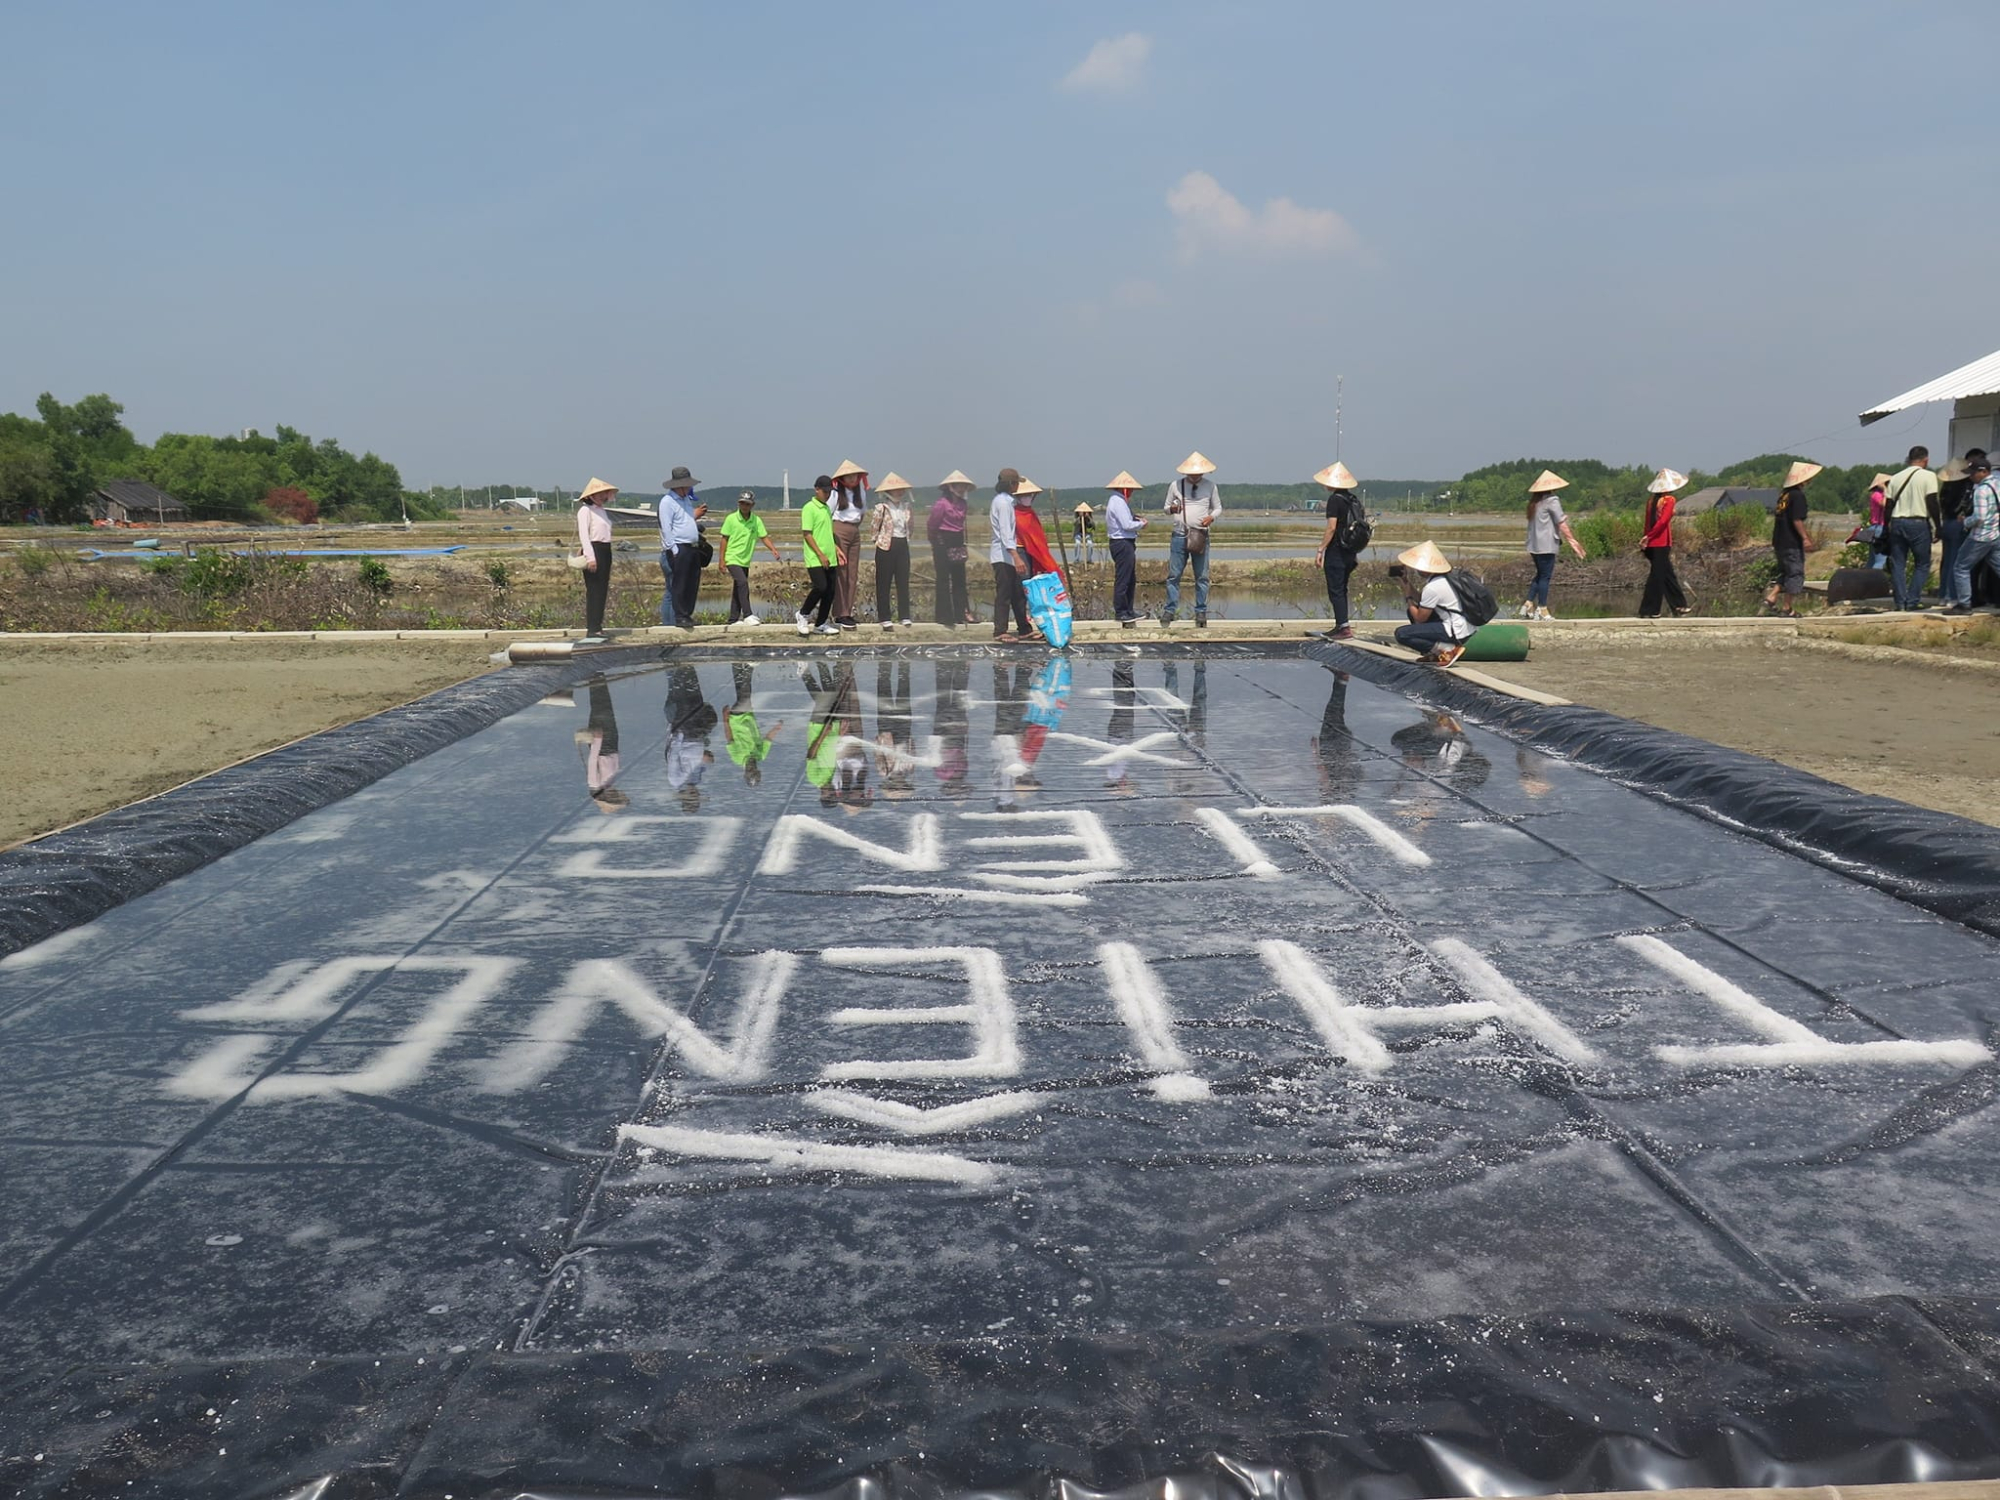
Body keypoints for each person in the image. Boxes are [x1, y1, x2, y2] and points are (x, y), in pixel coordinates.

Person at [1162, 451, 1221, 627]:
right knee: (1174, 575)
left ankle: (1201, 612)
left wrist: (1211, 517)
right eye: (1192, 474)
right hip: (1179, 534)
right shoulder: (1175, 485)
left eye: (1198, 474)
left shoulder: (1210, 486)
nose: (1195, 476)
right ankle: (1170, 610)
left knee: (1202, 576)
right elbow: (1165, 508)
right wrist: (1172, 509)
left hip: (1200, 535)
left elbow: (1218, 508)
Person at [1392, 540, 1474, 666]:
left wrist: (1408, 597)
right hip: (1463, 626)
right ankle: (1435, 653)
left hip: (1454, 630)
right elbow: (1423, 601)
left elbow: (1420, 618)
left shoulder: (1433, 587)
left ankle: (1446, 650)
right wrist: (1406, 582)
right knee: (1411, 611)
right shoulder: (1444, 579)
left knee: (1402, 634)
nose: (1416, 570)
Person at [1520, 469, 1585, 620]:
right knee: (1545, 577)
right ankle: (1542, 608)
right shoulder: (1552, 500)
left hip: (1534, 545)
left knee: (1540, 574)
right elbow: (1560, 522)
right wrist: (1572, 541)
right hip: (1546, 545)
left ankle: (1528, 603)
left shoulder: (1534, 503)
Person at [1883, 445, 1940, 611]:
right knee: (1922, 564)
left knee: (1898, 564)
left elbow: (1888, 505)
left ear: (1909, 459)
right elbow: (1932, 502)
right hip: (1918, 523)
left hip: (1897, 522)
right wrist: (1938, 526)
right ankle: (1913, 601)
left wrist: (1886, 526)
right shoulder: (1929, 476)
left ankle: (1900, 602)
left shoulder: (1896, 477)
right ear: (1926, 459)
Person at [1761, 460, 1820, 617]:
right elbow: (1797, 519)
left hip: (1779, 540)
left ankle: (1771, 598)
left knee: (1785, 572)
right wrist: (1805, 538)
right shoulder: (1797, 496)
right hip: (1791, 541)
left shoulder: (1784, 495)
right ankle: (1787, 607)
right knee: (1795, 573)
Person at [1312, 461, 1363, 639]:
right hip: (1350, 551)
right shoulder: (1353, 500)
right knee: (1342, 588)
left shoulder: (1335, 500)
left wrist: (1321, 550)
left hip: (1337, 551)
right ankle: (1340, 624)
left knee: (1335, 589)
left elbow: (1331, 528)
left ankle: (1343, 628)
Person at [717, 489, 781, 626]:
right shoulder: (731, 519)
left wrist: (773, 549)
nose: (744, 506)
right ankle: (747, 614)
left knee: (737, 588)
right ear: (738, 504)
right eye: (742, 503)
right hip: (732, 557)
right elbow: (724, 540)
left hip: (745, 560)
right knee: (742, 583)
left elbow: (764, 537)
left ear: (752, 505)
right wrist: (721, 560)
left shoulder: (756, 520)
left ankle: (733, 619)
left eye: (747, 504)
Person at [1638, 467, 1692, 618]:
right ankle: (1649, 610)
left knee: (1667, 574)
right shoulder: (1669, 500)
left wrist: (1646, 537)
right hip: (1660, 543)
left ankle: (1679, 606)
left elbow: (1649, 522)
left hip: (1651, 543)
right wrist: (1649, 536)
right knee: (1658, 576)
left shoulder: (1651, 501)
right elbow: (1662, 522)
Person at [1949, 454, 1999, 613]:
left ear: (1983, 471)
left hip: (1980, 536)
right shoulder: (1998, 485)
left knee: (1961, 567)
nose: (1970, 476)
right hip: (1995, 534)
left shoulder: (1981, 490)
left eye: (1972, 473)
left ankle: (1964, 604)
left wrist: (1965, 521)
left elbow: (1980, 517)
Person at [989, 467, 1031, 641]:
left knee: (1018, 593)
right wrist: (1016, 556)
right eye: (1016, 483)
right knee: (1005, 594)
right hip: (1003, 556)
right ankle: (1000, 631)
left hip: (1007, 555)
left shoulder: (1007, 501)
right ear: (1012, 484)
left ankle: (1024, 628)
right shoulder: (1004, 504)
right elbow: (1006, 533)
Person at [869, 472, 915, 628]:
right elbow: (874, 528)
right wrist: (879, 541)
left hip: (902, 544)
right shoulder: (881, 508)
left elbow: (911, 527)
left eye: (901, 489)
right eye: (896, 489)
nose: (899, 492)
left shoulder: (907, 507)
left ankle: (905, 616)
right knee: (884, 583)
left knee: (903, 581)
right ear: (889, 491)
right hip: (885, 546)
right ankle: (885, 617)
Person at [927, 470, 974, 626]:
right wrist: (935, 541)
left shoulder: (963, 504)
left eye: (963, 486)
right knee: (943, 579)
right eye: (958, 486)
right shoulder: (941, 504)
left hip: (958, 540)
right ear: (951, 487)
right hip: (942, 540)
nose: (961, 489)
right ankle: (944, 615)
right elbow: (932, 525)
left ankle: (962, 613)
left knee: (960, 578)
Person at [662, 466, 707, 626]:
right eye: (687, 485)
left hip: (692, 546)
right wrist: (673, 549)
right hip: (679, 547)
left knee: (691, 582)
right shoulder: (667, 502)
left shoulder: (686, 500)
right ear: (678, 485)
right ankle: (679, 616)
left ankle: (687, 614)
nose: (689, 488)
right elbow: (666, 528)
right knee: (679, 584)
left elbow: (687, 520)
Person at [796, 475, 840, 636]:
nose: (827, 495)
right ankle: (803, 614)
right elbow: (807, 534)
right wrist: (820, 555)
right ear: (817, 490)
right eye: (825, 491)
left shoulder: (827, 508)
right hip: (815, 557)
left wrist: (836, 549)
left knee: (830, 591)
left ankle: (821, 623)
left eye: (829, 492)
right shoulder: (809, 508)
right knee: (820, 587)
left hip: (830, 556)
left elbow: (827, 533)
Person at [576, 673, 627, 812]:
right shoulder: (610, 782)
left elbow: (592, 761)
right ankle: (599, 677)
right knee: (606, 707)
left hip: (602, 744)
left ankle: (594, 676)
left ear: (603, 796)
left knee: (599, 707)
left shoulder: (594, 783)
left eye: (612, 797)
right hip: (612, 743)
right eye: (616, 796)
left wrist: (597, 739)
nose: (614, 794)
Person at [724, 661, 780, 785]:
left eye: (750, 769)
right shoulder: (760, 755)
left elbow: (729, 738)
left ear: (745, 771)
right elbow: (768, 740)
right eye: (755, 769)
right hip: (748, 716)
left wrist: (725, 719)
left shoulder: (737, 758)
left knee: (744, 696)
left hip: (736, 719)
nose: (752, 766)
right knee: (742, 693)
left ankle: (749, 667)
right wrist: (777, 728)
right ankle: (737, 664)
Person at [575, 477, 616, 641]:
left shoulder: (602, 511)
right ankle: (592, 628)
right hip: (594, 550)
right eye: (598, 494)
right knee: (594, 590)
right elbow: (584, 535)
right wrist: (590, 557)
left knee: (602, 589)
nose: (601, 496)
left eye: (603, 493)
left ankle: (598, 626)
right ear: (590, 496)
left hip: (605, 549)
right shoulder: (585, 511)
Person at [829, 459, 868, 629]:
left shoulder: (861, 491)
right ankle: (839, 613)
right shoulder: (836, 492)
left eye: (854, 476)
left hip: (854, 530)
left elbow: (863, 512)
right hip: (839, 529)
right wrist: (834, 542)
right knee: (841, 572)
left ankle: (848, 612)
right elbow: (827, 515)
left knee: (852, 574)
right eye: (849, 476)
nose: (852, 479)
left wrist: (854, 529)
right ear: (843, 477)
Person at [1104, 470, 1146, 626]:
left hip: (1124, 542)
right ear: (1125, 489)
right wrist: (1141, 524)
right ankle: (1121, 611)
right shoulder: (1118, 502)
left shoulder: (1118, 501)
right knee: (1123, 578)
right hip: (1122, 542)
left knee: (1130, 577)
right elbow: (1127, 525)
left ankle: (1128, 610)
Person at [1937, 455, 1976, 608]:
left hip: (1946, 522)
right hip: (1959, 524)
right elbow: (1967, 506)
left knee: (1947, 560)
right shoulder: (1966, 486)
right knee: (1958, 562)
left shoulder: (1946, 486)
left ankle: (1943, 595)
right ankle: (1952, 595)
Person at [1012, 477, 1064, 585]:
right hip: (1021, 550)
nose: (1027, 498)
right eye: (1024, 495)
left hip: (1033, 552)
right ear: (1017, 497)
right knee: (1025, 581)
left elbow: (1037, 535)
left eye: (1029, 495)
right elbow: (1025, 533)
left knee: (1032, 578)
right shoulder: (1015, 513)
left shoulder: (1031, 513)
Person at [1863, 472, 1892, 570]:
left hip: (1876, 528)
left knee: (1872, 559)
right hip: (1879, 528)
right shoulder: (1876, 495)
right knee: (1880, 560)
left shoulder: (1878, 495)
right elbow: (1885, 504)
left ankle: (1866, 580)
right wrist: (1885, 489)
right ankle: (1875, 580)